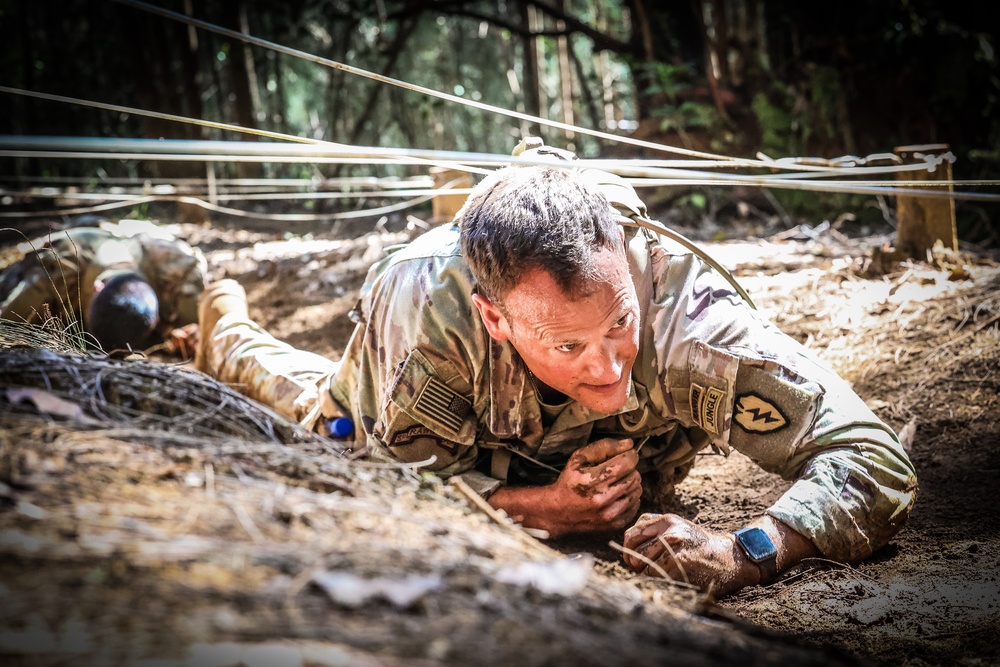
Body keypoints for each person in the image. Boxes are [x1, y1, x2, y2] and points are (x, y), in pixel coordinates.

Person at [195, 140, 917, 596]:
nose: (608, 370)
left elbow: (875, 460)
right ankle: (223, 330)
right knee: (308, 409)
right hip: (424, 429)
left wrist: (747, 549)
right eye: (567, 346)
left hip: (587, 452)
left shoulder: (682, 307)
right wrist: (545, 510)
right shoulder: (425, 312)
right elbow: (390, 490)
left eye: (619, 325)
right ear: (496, 320)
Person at [0, 218, 208, 353]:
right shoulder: (56, 272)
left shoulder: (181, 277)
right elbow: (6, 328)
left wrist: (191, 334)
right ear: (97, 289)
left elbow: (205, 329)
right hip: (79, 239)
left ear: (155, 318)